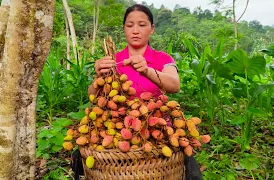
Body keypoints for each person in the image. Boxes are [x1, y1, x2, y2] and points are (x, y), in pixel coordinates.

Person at [73, 4, 202, 180]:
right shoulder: (113, 61)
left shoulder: (162, 58)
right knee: (81, 152)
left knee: (184, 157)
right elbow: (93, 97)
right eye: (129, 25)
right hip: (116, 126)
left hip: (157, 127)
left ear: (152, 29)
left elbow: (174, 85)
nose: (135, 30)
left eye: (142, 25)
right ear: (124, 29)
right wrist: (98, 76)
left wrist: (147, 70)